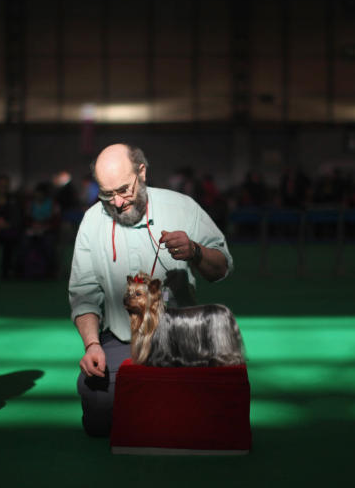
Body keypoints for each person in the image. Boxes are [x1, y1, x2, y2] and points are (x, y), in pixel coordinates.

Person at [69, 144, 233, 437]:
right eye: (107, 195)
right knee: (98, 415)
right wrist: (92, 345)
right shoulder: (92, 221)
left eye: (123, 190)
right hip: (122, 339)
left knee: (204, 418)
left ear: (142, 173)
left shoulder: (183, 207)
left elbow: (221, 268)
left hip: (184, 336)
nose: (117, 202)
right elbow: (83, 295)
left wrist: (196, 251)